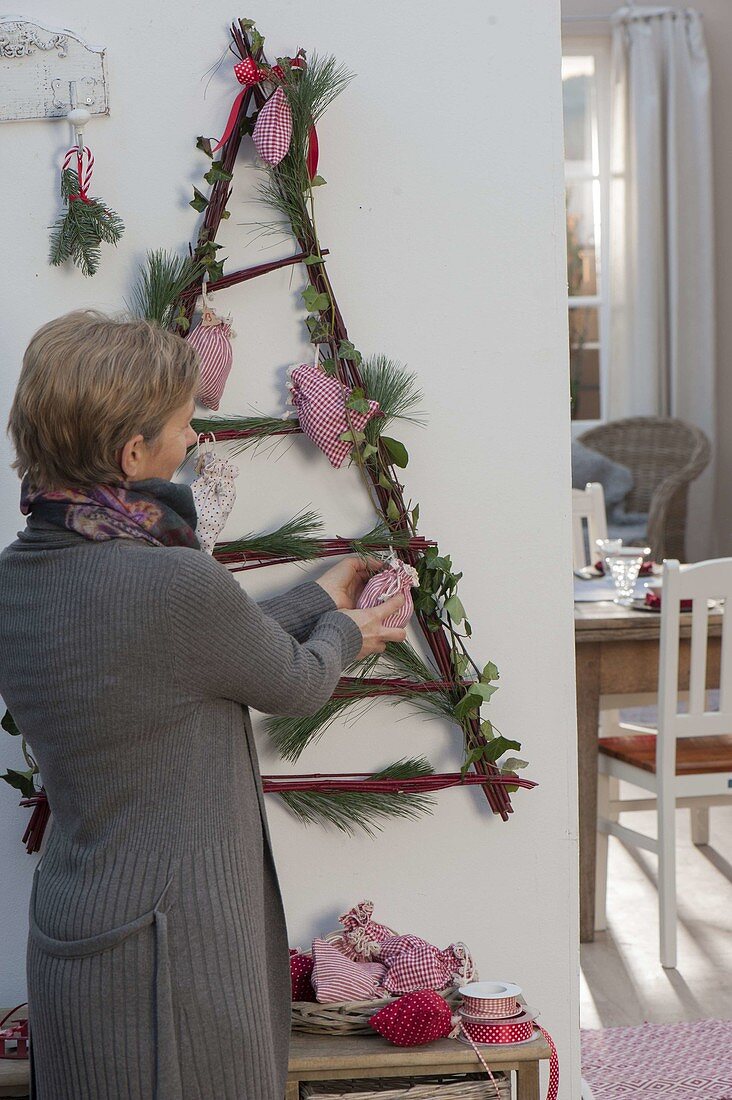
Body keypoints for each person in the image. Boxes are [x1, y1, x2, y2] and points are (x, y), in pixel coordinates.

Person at [0, 310, 406, 1100]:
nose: (193, 441)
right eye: (184, 426)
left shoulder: (21, 571)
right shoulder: (165, 579)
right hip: (170, 950)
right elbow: (289, 682)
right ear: (131, 453)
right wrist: (347, 635)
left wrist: (319, 598)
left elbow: (185, 656)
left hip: (77, 933)